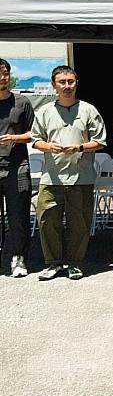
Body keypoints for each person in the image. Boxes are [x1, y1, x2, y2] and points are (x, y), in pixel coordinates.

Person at [31, 65, 106, 281]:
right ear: (54, 85)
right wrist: (49, 147)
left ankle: (74, 263)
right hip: (51, 177)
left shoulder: (89, 110)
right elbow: (35, 140)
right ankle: (53, 263)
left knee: (79, 223)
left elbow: (100, 141)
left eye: (70, 82)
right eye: (62, 82)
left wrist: (80, 147)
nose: (67, 86)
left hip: (81, 177)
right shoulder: (45, 112)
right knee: (47, 220)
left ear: (76, 83)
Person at [0, 58, 34, 277]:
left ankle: (18, 258)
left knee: (19, 215)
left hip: (17, 166)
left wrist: (14, 137)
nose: (2, 78)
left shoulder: (22, 102)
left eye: (5, 73)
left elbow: (35, 134)